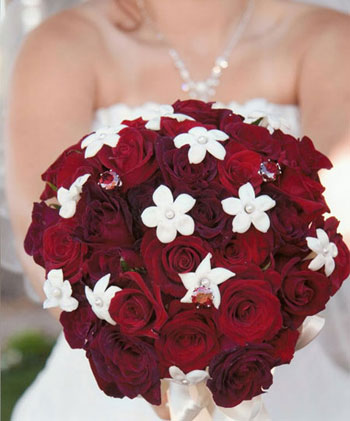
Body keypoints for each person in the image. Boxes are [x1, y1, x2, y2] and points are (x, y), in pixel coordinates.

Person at [4, 0, 350, 419]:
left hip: (278, 368)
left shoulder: (327, 37)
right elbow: (44, 236)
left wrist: (235, 360)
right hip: (118, 375)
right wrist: (155, 365)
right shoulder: (62, 45)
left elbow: (330, 224)